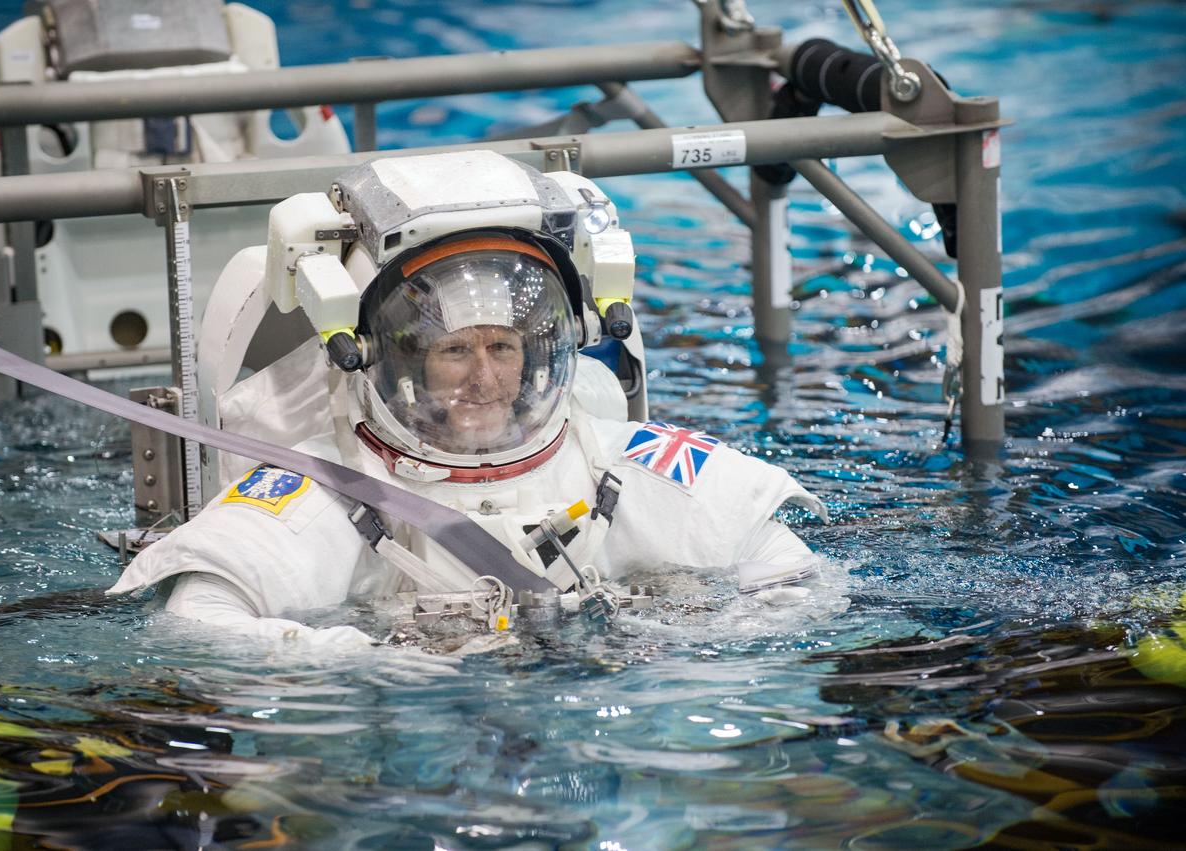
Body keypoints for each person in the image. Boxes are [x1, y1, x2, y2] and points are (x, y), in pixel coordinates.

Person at [108, 150, 826, 649]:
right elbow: (195, 620)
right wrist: (362, 660)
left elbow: (797, 579)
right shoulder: (333, 489)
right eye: (454, 350)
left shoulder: (611, 464)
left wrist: (687, 635)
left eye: (503, 348)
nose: (484, 378)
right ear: (389, 360)